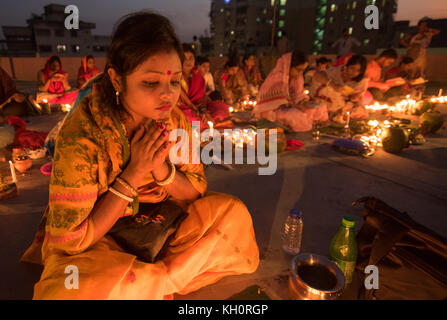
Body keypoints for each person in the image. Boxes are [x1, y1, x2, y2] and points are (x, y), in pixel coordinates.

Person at [20, 11, 259, 300]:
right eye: (151, 83)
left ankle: (145, 281)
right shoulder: (83, 133)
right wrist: (134, 173)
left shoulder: (174, 122)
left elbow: (195, 190)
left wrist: (162, 172)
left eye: (174, 82)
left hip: (162, 224)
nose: (167, 96)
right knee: (67, 288)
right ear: (117, 80)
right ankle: (159, 277)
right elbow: (72, 239)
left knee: (233, 215)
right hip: (102, 238)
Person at [252, 50, 328, 132]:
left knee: (320, 107)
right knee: (297, 116)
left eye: (302, 70)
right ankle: (302, 124)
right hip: (272, 111)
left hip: (292, 106)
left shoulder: (297, 78)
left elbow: (298, 96)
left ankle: (311, 123)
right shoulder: (277, 78)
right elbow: (277, 104)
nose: (300, 73)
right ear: (289, 66)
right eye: (299, 70)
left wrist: (304, 102)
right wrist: (296, 106)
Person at [179, 44, 230, 128]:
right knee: (188, 116)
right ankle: (205, 123)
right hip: (184, 108)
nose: (188, 61)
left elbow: (201, 97)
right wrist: (199, 112)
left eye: (191, 58)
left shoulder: (197, 75)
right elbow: (184, 100)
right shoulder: (176, 76)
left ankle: (205, 122)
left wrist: (204, 111)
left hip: (199, 106)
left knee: (220, 107)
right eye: (184, 58)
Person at [311, 55, 369, 123]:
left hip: (346, 103)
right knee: (331, 90)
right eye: (352, 68)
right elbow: (317, 74)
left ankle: (337, 114)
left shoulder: (363, 80)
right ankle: (334, 113)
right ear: (347, 66)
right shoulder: (338, 71)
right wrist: (333, 85)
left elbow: (357, 97)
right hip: (330, 98)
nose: (354, 72)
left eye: (358, 70)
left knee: (361, 111)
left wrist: (354, 98)